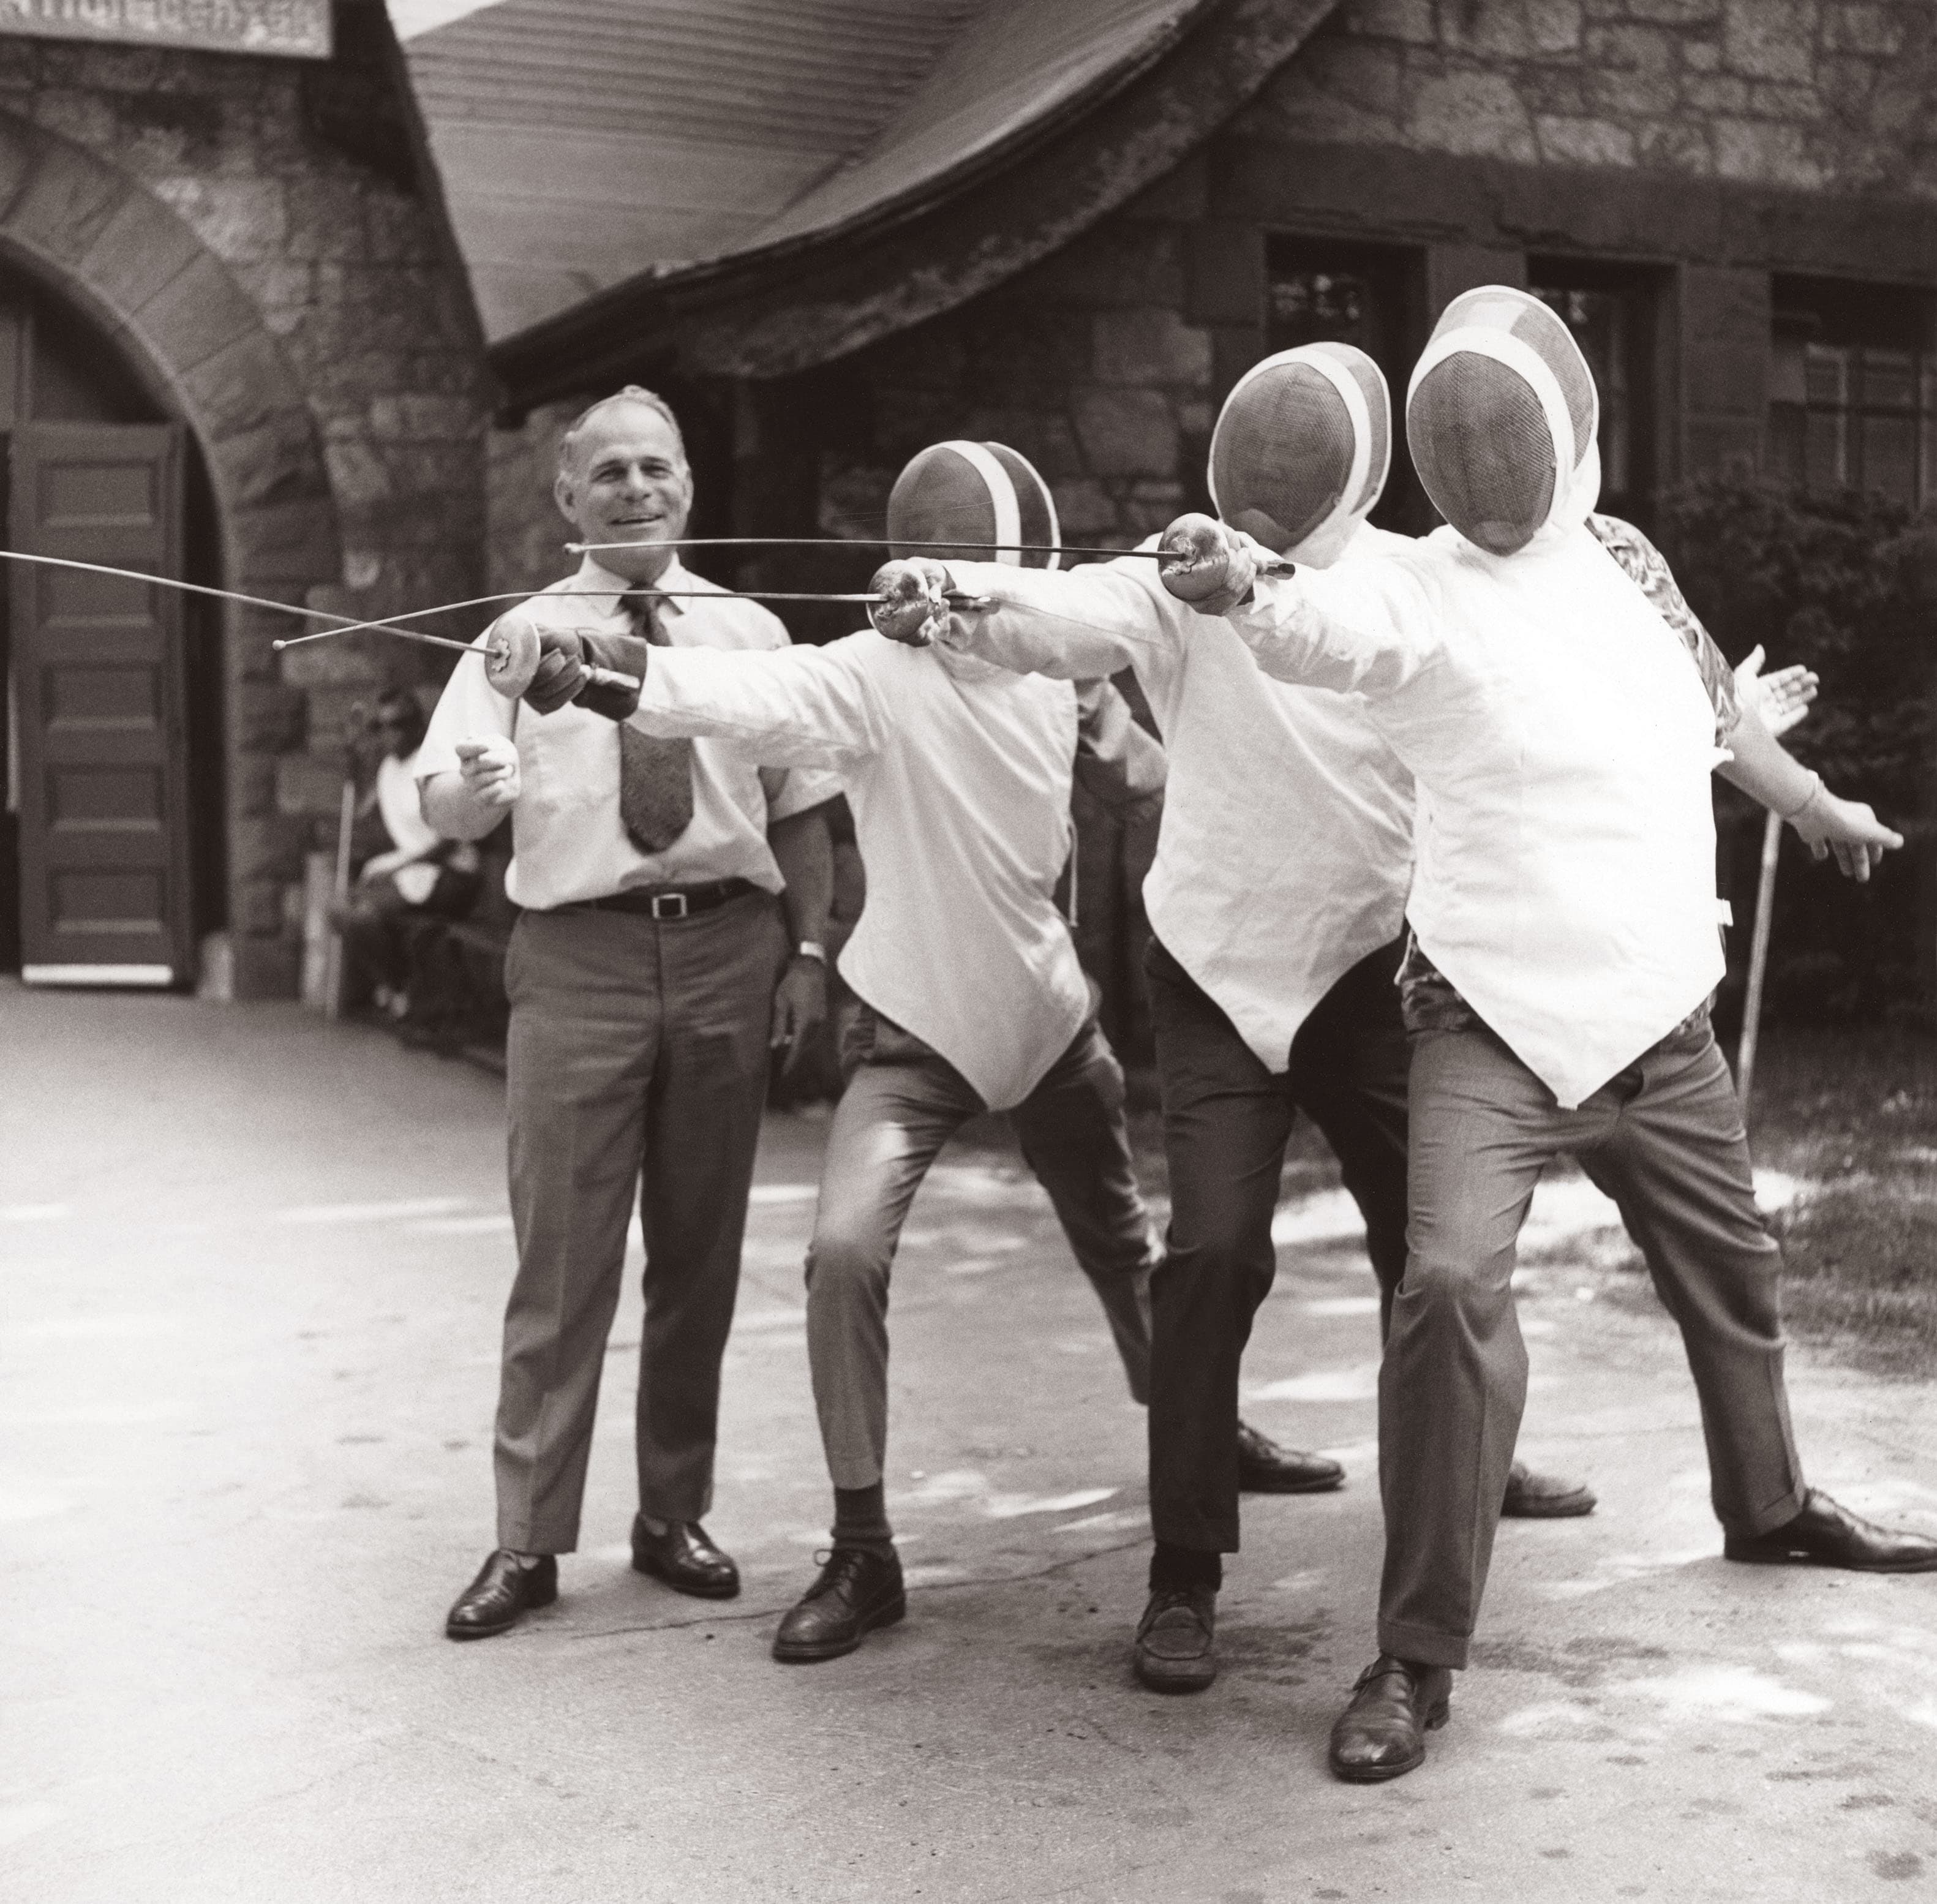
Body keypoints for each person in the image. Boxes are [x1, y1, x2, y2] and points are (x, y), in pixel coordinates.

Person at [1156, 288, 1937, 1780]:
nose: (1488, 467)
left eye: (1508, 435)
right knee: (1444, 1286)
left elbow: (1710, 713)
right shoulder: (1410, 586)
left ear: (1568, 430)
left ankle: (1766, 1507)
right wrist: (1244, 586)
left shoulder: (1628, 559)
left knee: (1735, 1275)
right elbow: (1323, 630)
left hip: (1656, 1016)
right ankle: (1413, 1654)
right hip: (1486, 1024)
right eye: (1459, 444)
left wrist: (1815, 803)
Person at [510, 441, 1339, 1665]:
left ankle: (1199, 1430)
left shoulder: (1063, 665)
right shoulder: (865, 678)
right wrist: (591, 670)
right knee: (843, 1251)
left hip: (1051, 1023)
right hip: (915, 1030)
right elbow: (728, 695)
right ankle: (863, 1548)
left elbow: (1158, 758)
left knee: (1132, 1251)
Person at [866, 346, 1594, 1701]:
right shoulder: (1171, 571)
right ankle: (1183, 1575)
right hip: (1212, 969)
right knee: (1206, 1257)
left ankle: (1479, 1461)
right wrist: (956, 595)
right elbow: (1070, 615)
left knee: (1435, 1257)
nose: (1273, 471)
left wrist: (1246, 587)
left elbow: (1348, 639)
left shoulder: (1407, 579)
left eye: (1300, 451)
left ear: (1359, 457)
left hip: (1373, 972)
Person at [418, 386, 840, 1641]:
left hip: (728, 947)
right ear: (568, 500)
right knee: (561, 1260)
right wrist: (476, 794)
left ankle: (672, 1515)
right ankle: (527, 1540)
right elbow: (442, 793)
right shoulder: (515, 640)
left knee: (701, 1255)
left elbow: (801, 805)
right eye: (608, 474)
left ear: (689, 487)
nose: (637, 489)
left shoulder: (749, 634)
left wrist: (807, 950)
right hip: (578, 961)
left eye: (656, 468)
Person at [332, 688, 480, 1026]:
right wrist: (354, 758)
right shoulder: (388, 768)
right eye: (380, 727)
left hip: (452, 874)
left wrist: (398, 863)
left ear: (416, 726)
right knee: (342, 909)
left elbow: (451, 840)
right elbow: (363, 811)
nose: (389, 734)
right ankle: (402, 986)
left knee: (364, 913)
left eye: (397, 725)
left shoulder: (434, 764)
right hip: (414, 872)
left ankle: (407, 992)